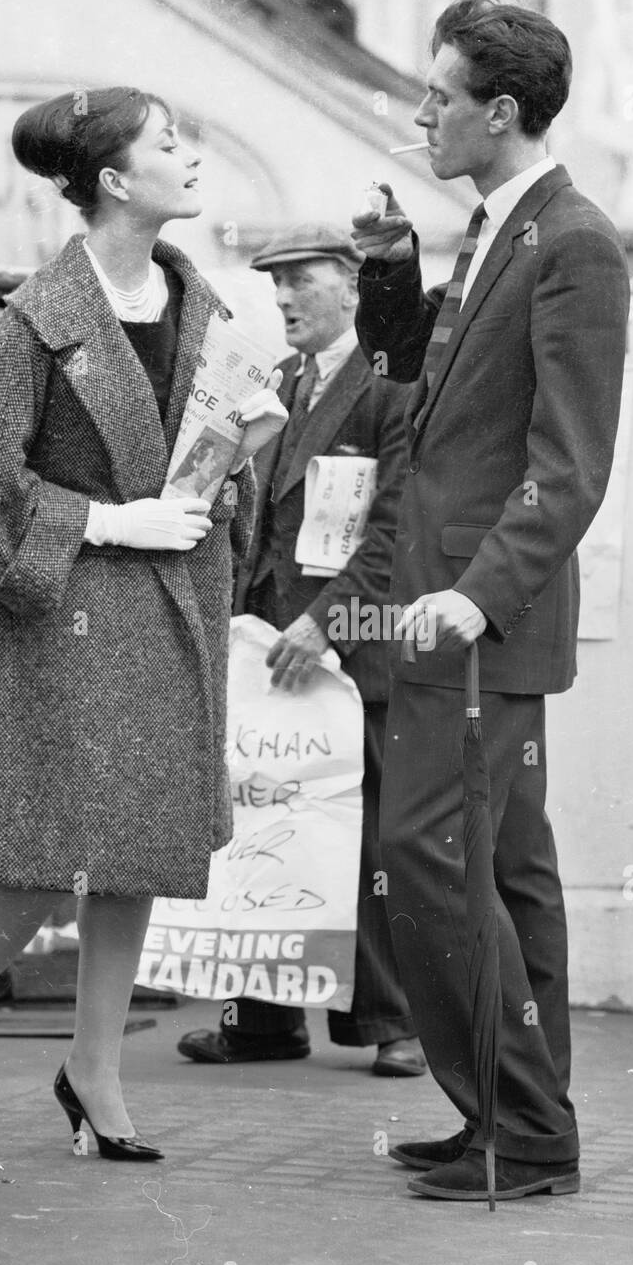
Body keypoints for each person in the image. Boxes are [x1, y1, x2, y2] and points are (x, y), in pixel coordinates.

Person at [0, 87, 287, 1159]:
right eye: (167, 146)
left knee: (133, 845)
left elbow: (205, 483)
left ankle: (94, 1069)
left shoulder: (203, 310)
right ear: (111, 180)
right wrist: (106, 520)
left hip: (169, 615)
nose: (191, 159)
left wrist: (219, 480)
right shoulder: (38, 319)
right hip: (67, 618)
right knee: (48, 856)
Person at [351, 0, 628, 1200]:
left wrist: (475, 596)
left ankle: (519, 1127)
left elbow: (569, 463)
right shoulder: (491, 230)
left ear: (499, 109)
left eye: (439, 95)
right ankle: (517, 1126)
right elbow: (416, 386)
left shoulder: (572, 241)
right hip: (447, 611)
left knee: (432, 861)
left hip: (471, 620)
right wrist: (391, 270)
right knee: (508, 876)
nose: (421, 113)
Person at [177, 224, 424, 1076]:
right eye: (274, 284)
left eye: (301, 281)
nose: (282, 299)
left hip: (349, 645)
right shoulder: (280, 379)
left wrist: (329, 621)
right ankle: (261, 1019)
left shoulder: (394, 380)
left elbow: (397, 522)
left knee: (367, 834)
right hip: (268, 643)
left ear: (354, 284)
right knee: (262, 820)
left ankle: (395, 1025)